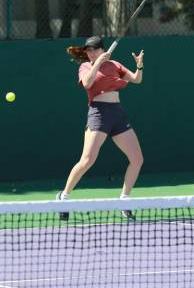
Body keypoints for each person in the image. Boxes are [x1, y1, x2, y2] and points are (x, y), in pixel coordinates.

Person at [58, 36, 144, 221]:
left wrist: (139, 65)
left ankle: (124, 201)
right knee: (87, 159)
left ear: (101, 49)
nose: (89, 53)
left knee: (137, 159)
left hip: (117, 115)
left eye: (92, 49)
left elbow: (137, 80)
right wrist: (97, 63)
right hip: (98, 114)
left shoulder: (115, 65)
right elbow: (88, 83)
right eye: (87, 50)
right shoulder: (85, 67)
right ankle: (63, 197)